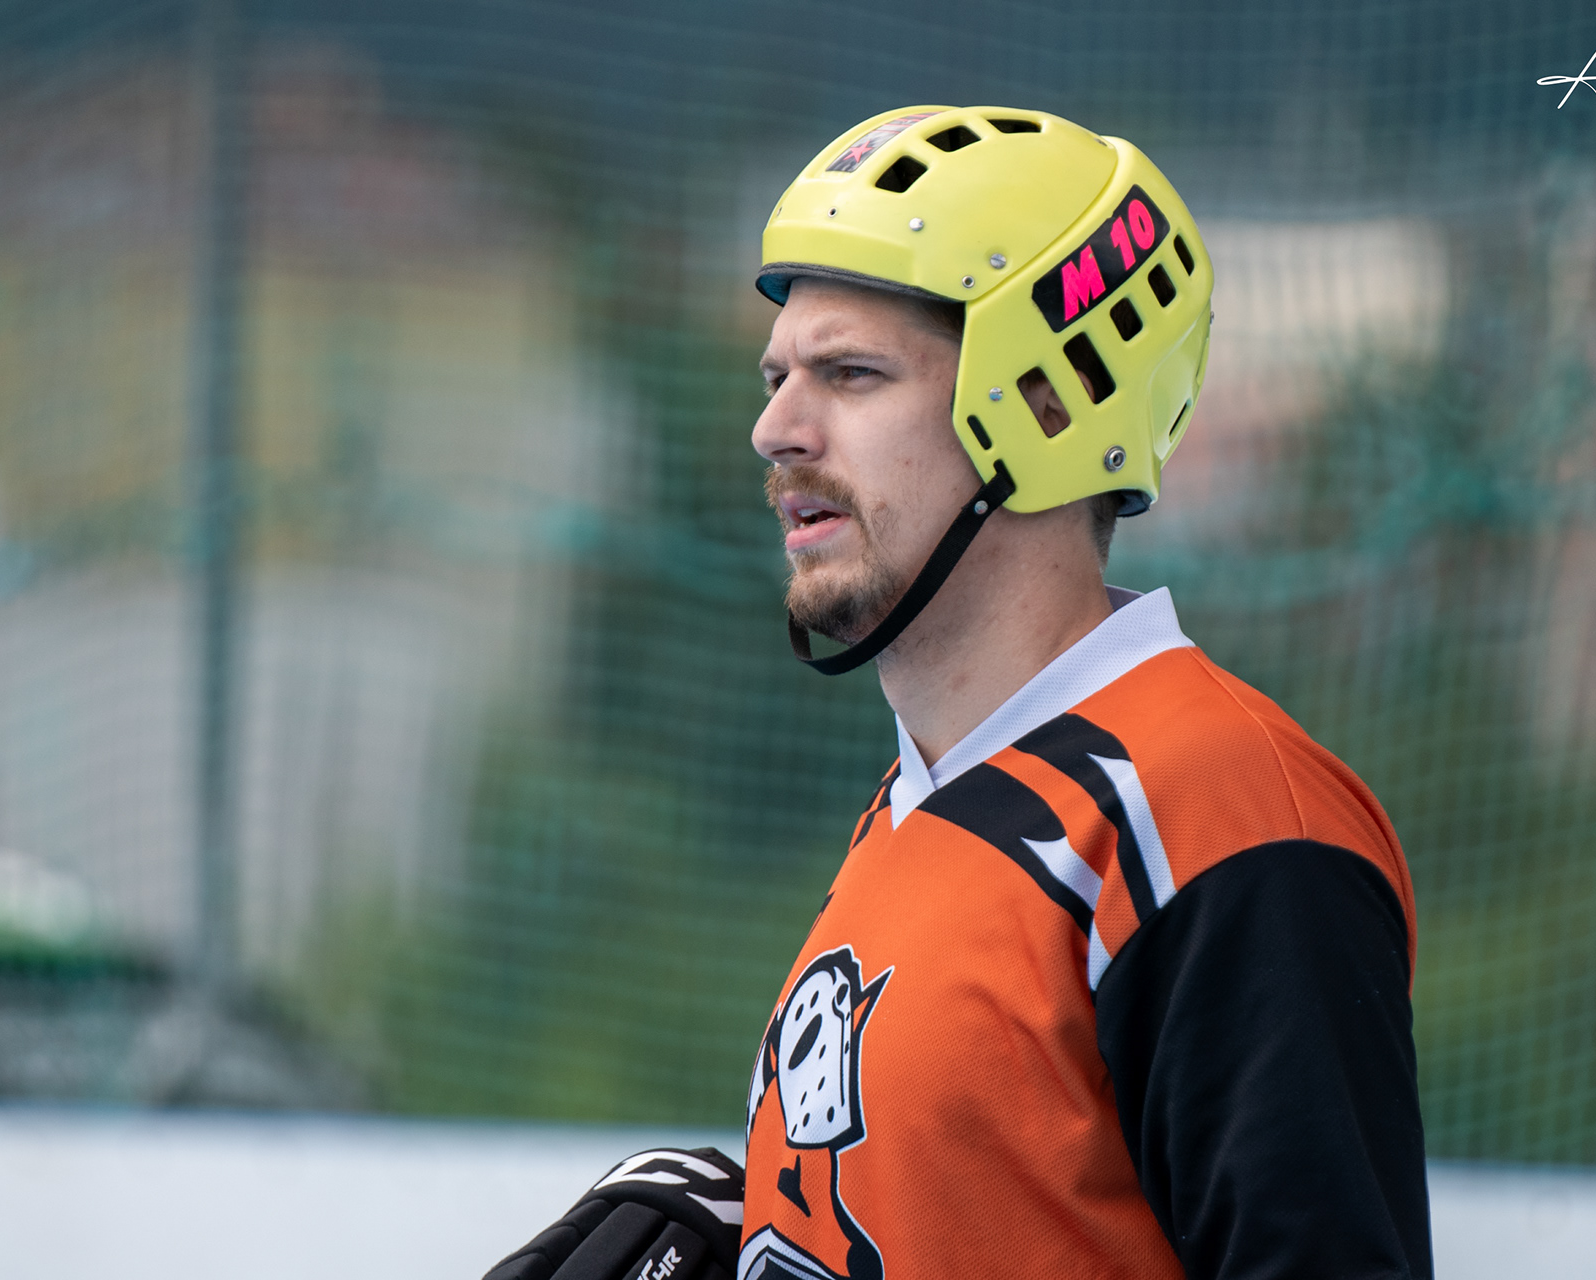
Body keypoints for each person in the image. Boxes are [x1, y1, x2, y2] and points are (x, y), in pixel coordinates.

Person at [484, 105, 1430, 1280]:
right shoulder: (922, 802)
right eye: (778, 377)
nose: (774, 428)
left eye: (851, 374)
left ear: (1050, 402)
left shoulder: (1222, 814)